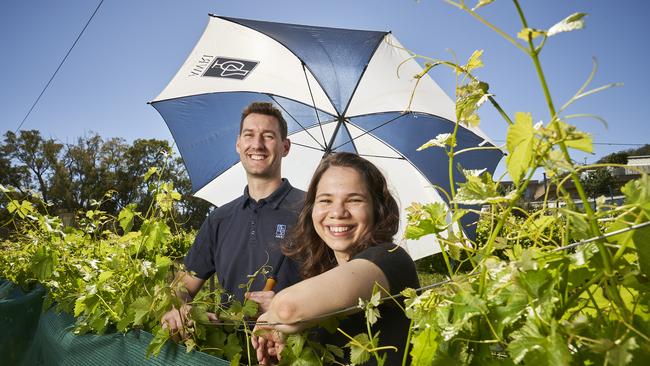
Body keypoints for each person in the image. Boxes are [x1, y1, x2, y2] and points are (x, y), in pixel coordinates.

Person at [252, 152, 420, 365]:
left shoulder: (391, 259)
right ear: (312, 209)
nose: (338, 212)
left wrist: (274, 312)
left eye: (354, 200)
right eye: (325, 200)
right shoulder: (323, 275)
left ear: (377, 209)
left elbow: (287, 309)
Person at [161, 102, 304, 337]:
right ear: (238, 144)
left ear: (285, 146)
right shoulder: (219, 219)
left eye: (268, 136)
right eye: (249, 135)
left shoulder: (312, 211)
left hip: (292, 352)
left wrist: (289, 306)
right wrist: (179, 308)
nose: (257, 144)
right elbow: (182, 288)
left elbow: (335, 288)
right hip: (229, 354)